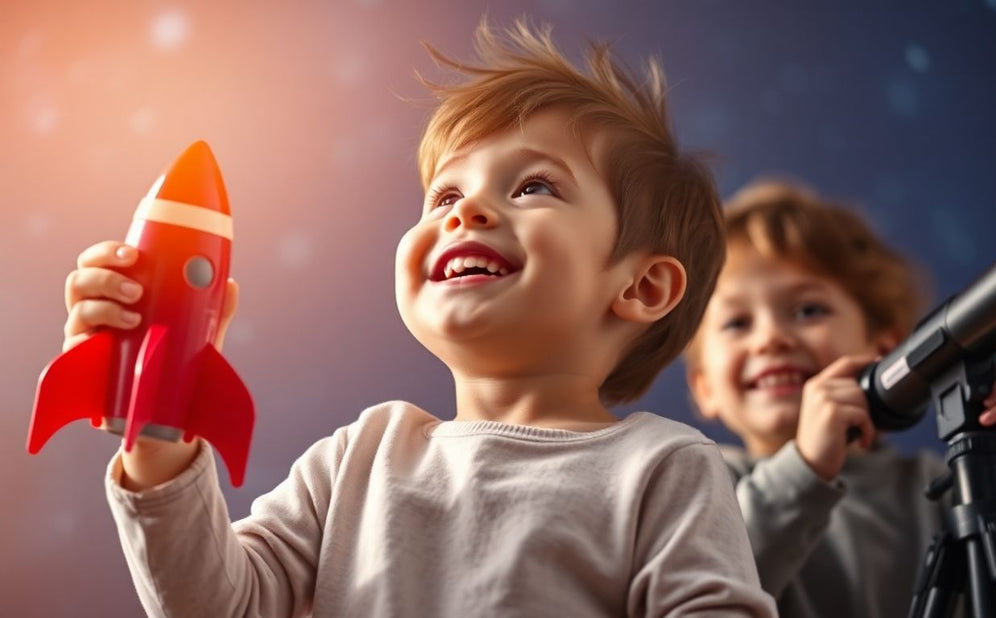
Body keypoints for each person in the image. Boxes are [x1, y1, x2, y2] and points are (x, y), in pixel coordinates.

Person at [63, 18, 777, 618]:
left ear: (644, 287)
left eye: (533, 186)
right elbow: (217, 605)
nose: (466, 210)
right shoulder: (358, 457)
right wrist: (158, 429)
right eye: (443, 197)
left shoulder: (663, 469)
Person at [683, 177, 996, 617]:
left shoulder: (951, 491)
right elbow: (699, 595)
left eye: (808, 310)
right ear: (704, 387)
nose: (771, 339)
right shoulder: (704, 482)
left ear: (884, 350)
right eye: (736, 323)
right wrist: (803, 470)